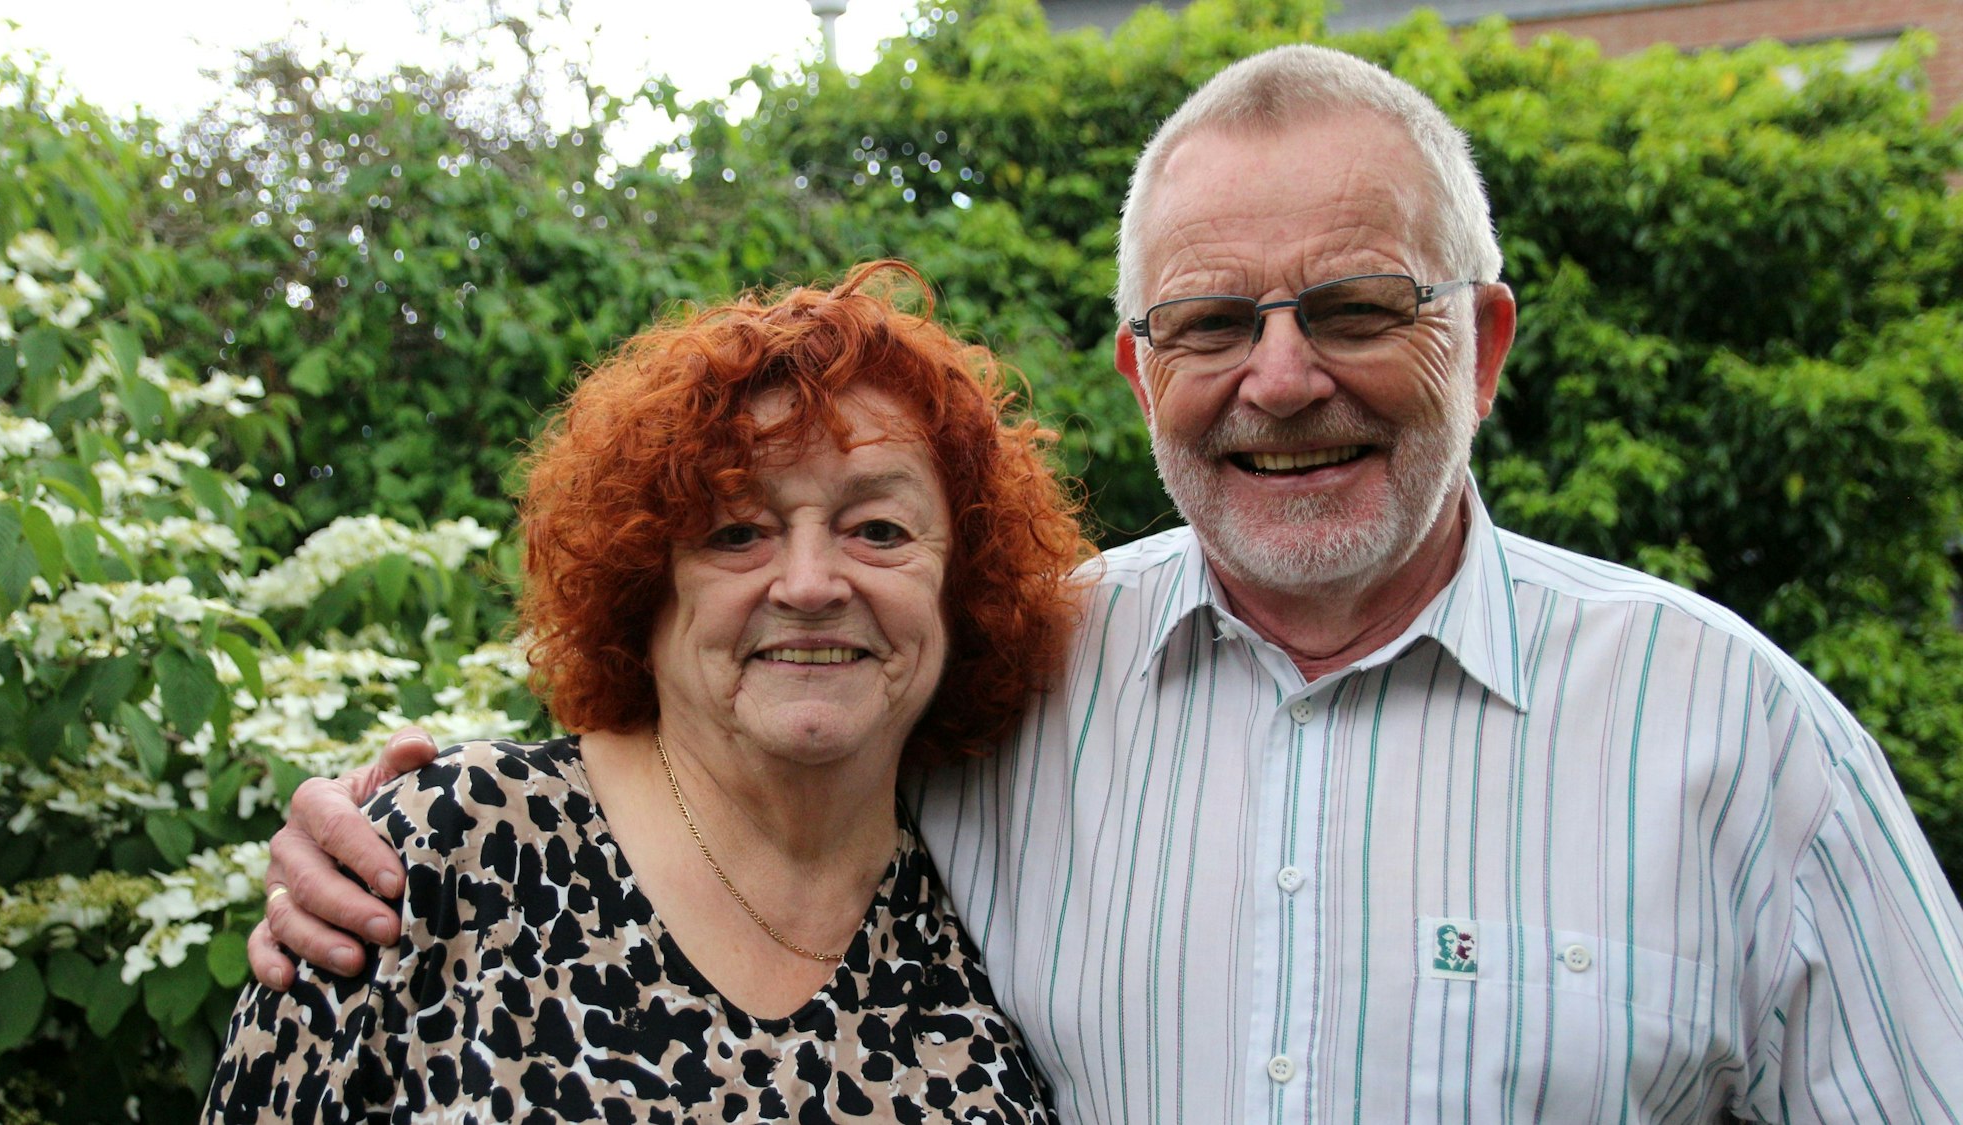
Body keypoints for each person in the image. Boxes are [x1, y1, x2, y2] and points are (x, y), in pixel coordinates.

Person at [253, 45, 1963, 1122]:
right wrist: (395, 824)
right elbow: (723, 751)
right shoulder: (1008, 682)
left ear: (1486, 343)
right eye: (1213, 323)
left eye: (1357, 308)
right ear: (1144, 375)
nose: (1282, 379)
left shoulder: (1740, 742)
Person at [206, 261, 1088, 1122]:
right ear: (644, 586)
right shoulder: (446, 856)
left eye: (880, 529)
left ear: (960, 586)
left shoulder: (1003, 917)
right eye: (737, 531)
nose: (810, 584)